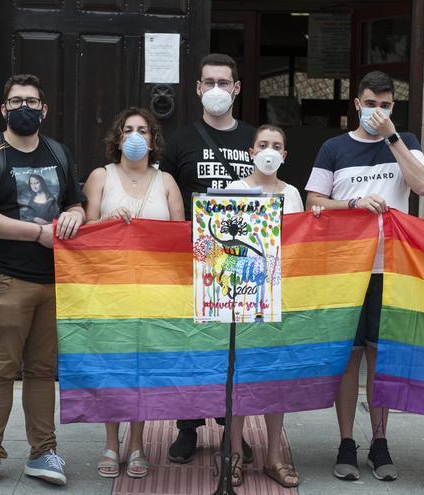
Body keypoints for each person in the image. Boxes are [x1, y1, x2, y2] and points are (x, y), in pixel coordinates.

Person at [305, 70, 424, 482]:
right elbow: (313, 203)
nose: (377, 111)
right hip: (344, 268)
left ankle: (380, 441)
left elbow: (423, 185)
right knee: (351, 356)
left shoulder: (406, 142)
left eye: (385, 105)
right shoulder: (334, 147)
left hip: (391, 268)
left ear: (392, 107)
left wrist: (393, 136)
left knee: (380, 355)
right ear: (356, 104)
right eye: (370, 104)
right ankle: (345, 441)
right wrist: (355, 203)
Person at [0, 74, 86, 495]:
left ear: (44, 110)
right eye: (16, 101)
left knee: (41, 371)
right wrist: (36, 233)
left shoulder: (59, 152)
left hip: (54, 279)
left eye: (32, 101)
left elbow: (74, 200)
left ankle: (43, 452)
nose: (25, 108)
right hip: (4, 277)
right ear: (3, 110)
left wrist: (75, 215)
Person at [159, 52, 256, 465]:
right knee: (191, 344)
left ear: (236, 88)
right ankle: (187, 426)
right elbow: (165, 194)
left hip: (240, 261)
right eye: (208, 82)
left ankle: (230, 425)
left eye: (224, 82)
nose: (216, 90)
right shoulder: (179, 140)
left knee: (233, 345)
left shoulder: (255, 138)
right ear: (198, 89)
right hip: (193, 258)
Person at [82, 107, 184, 479]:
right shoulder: (100, 177)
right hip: (109, 289)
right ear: (118, 137)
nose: (136, 136)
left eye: (143, 130)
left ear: (153, 140)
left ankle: (137, 444)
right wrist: (107, 223)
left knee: (142, 367)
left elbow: (179, 236)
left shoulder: (167, 181)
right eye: (128, 129)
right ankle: (111, 442)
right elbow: (86, 230)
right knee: (112, 364)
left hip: (154, 291)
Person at [224, 124, 321, 487]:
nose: (269, 150)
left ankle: (274, 456)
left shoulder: (293, 194)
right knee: (239, 373)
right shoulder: (234, 191)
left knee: (276, 375)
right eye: (262, 144)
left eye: (276, 145)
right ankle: (234, 454)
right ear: (251, 151)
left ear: (284, 155)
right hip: (242, 294)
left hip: (282, 295)